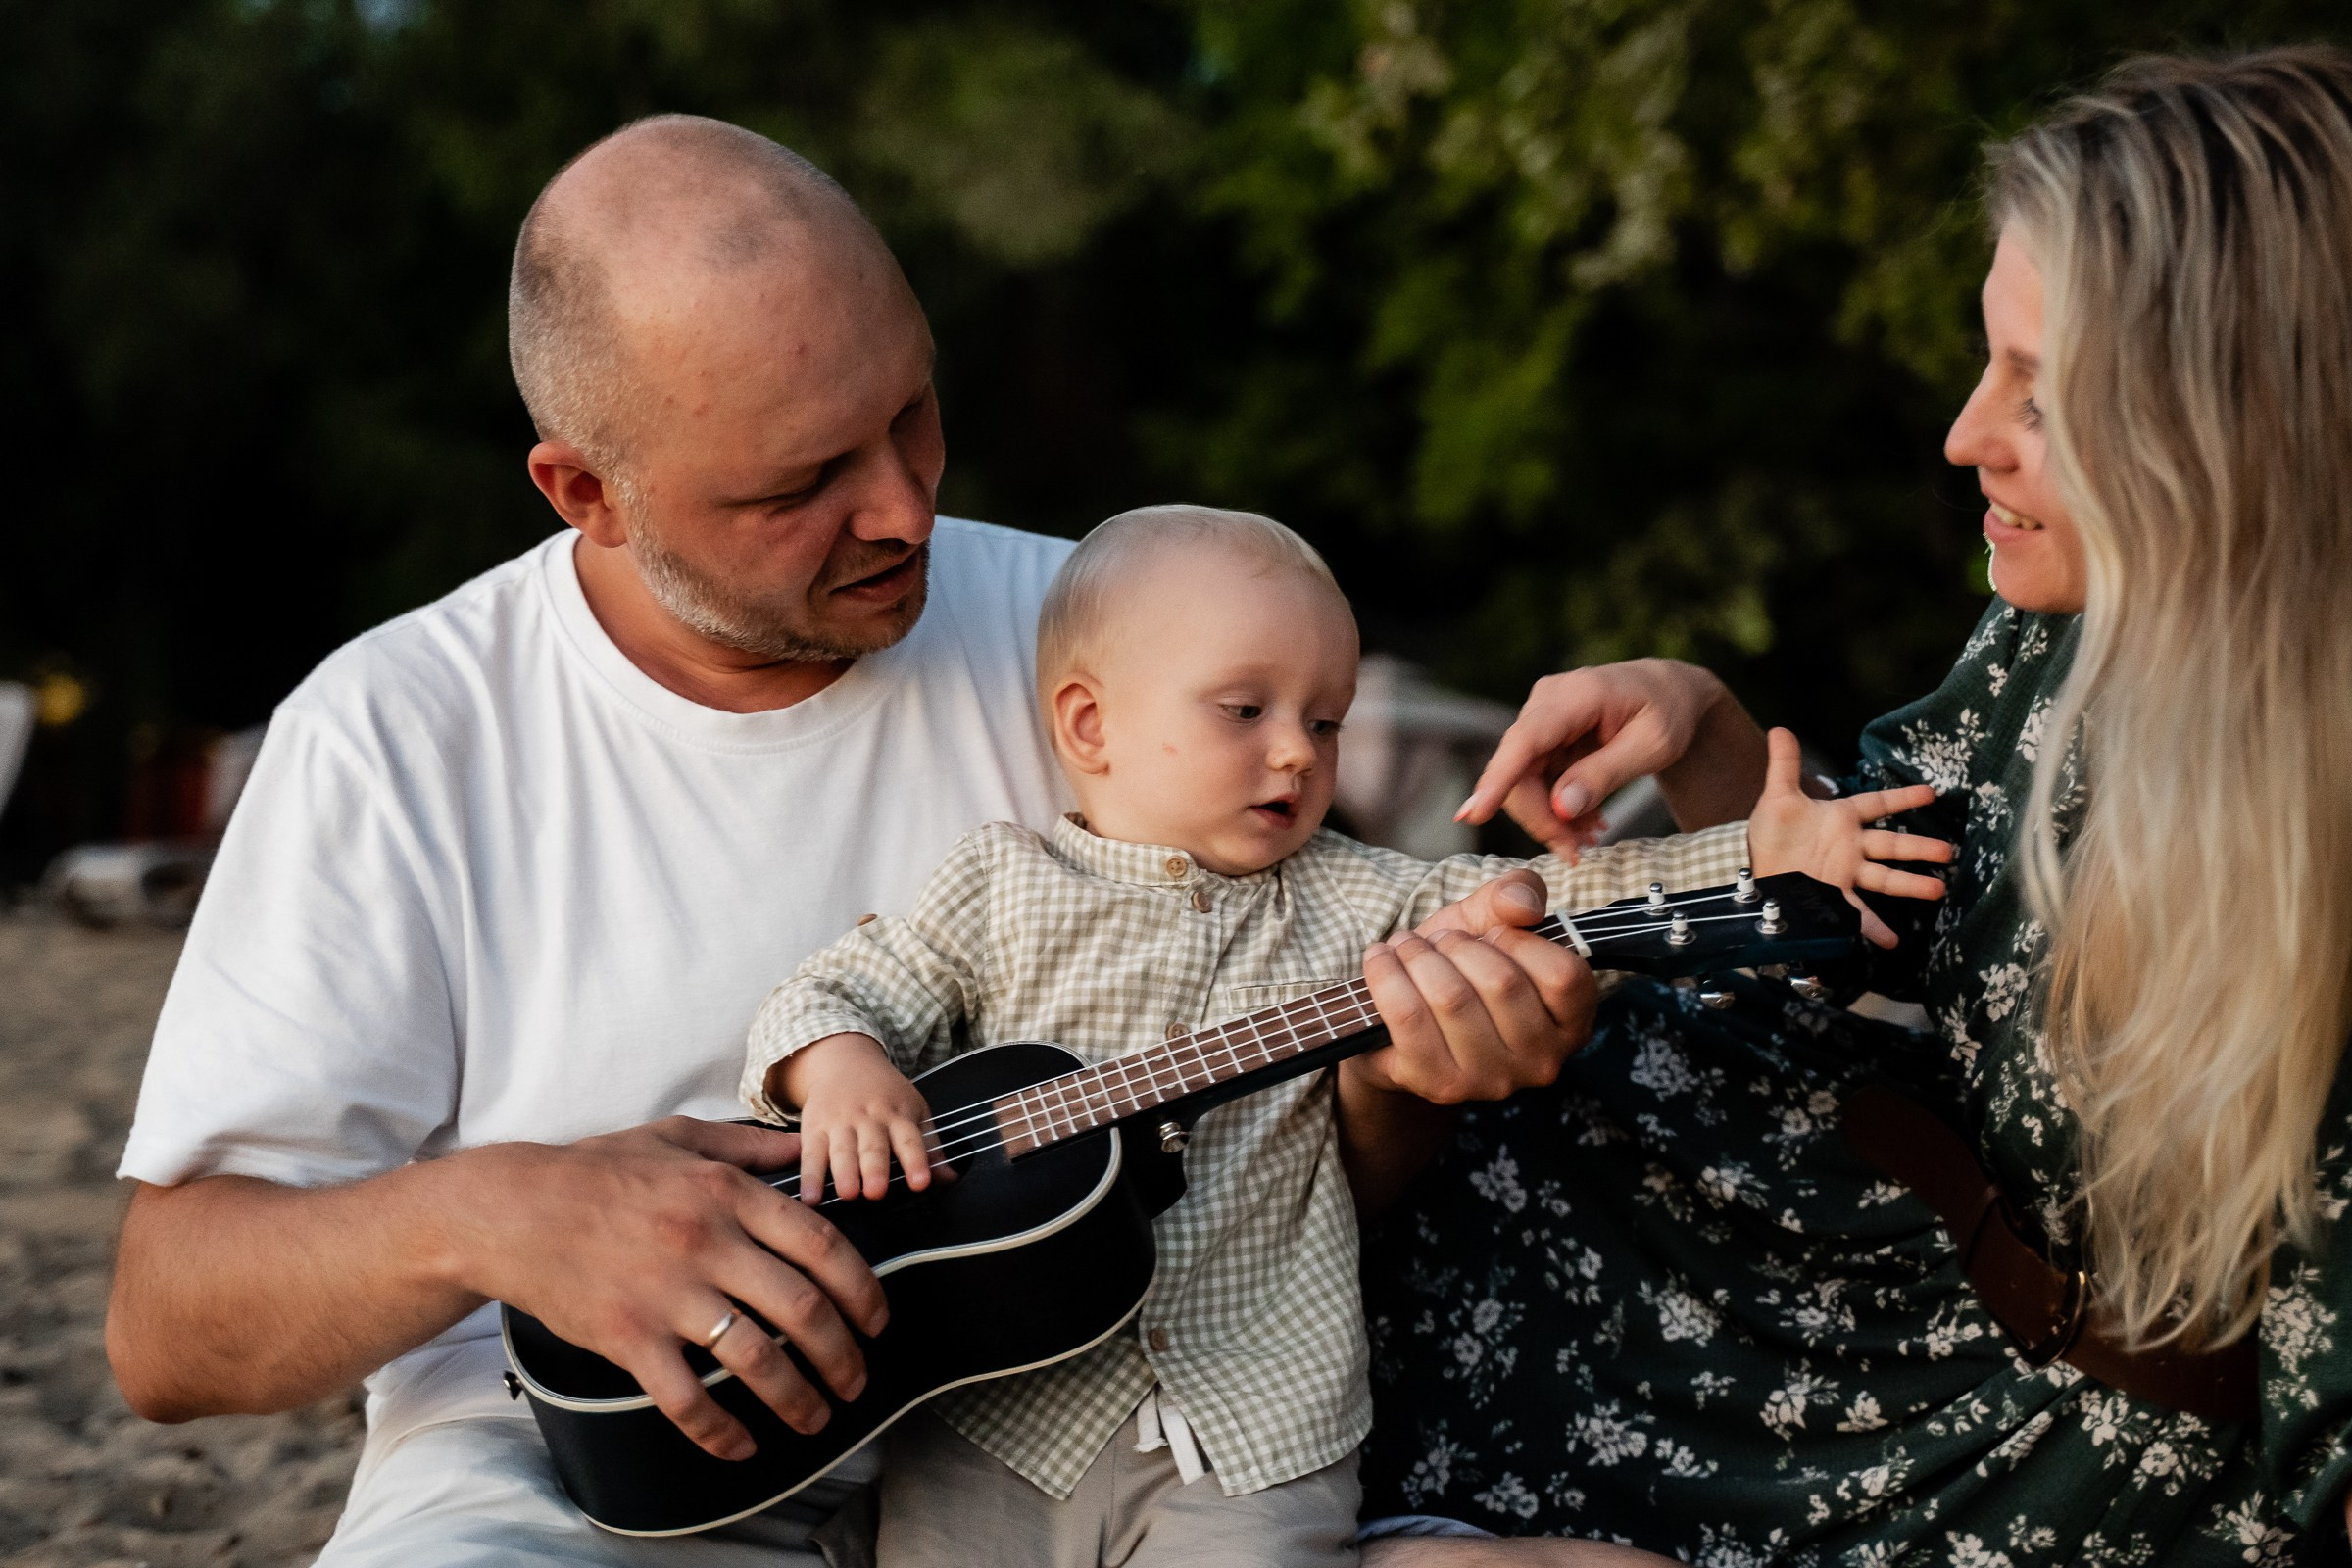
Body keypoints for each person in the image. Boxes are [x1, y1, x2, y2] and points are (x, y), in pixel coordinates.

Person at [100, 121, 1587, 1567]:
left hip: (1103, 1457)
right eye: (798, 484)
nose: (902, 505)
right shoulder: (397, 731)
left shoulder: (1130, 645)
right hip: (594, 1489)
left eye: (913, 413)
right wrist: (488, 1214)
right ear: (588, 494)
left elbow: (1299, 1154)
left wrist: (1408, 1089)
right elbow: (168, 1328)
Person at [1352, 48, 2352, 1566]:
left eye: (2046, 393)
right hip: (1815, 1265)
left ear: (2246, 432)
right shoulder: (2073, 625)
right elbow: (1909, 897)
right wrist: (1712, 748)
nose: (1965, 435)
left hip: (1994, 1468)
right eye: (1987, 359)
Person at [743, 505, 1949, 1568]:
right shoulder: (999, 881)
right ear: (1089, 725)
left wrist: (1758, 853)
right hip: (998, 1415)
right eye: (1247, 708)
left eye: (1327, 720)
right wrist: (838, 1067)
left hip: (1260, 1429)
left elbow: (1557, 898)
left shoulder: (1362, 899)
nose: (1297, 751)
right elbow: (844, 988)